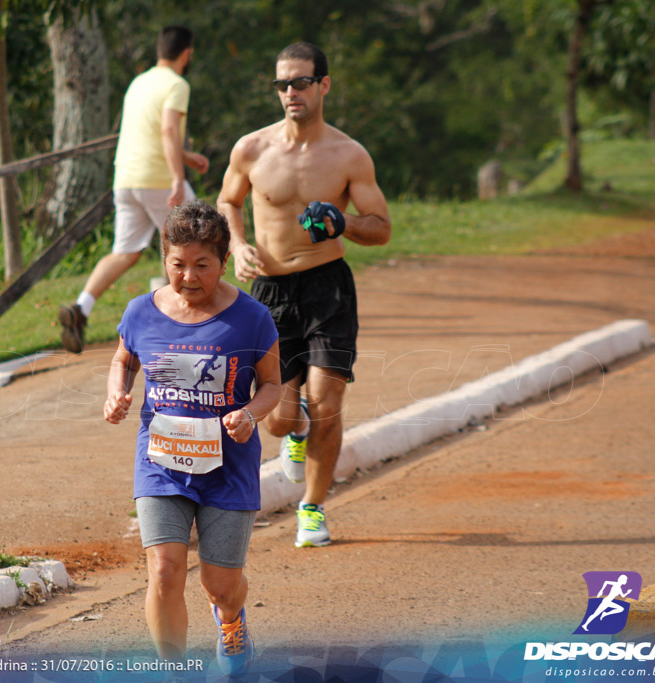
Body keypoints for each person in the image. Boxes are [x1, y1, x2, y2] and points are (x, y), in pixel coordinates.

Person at [217, 42, 391, 548]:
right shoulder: (252, 148)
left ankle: (311, 508)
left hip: (327, 287)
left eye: (299, 82)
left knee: (327, 400)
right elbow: (229, 200)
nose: (290, 92)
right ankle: (295, 434)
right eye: (282, 84)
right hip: (269, 293)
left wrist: (344, 223)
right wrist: (239, 242)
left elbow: (380, 228)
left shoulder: (348, 155)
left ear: (323, 86)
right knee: (279, 419)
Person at [103, 200, 280, 675]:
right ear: (164, 259)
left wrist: (250, 413)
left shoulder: (252, 318)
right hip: (161, 460)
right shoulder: (142, 312)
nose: (188, 276)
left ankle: (231, 618)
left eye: (202, 265)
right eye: (177, 264)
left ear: (224, 263)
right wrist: (117, 394)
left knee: (221, 585)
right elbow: (124, 359)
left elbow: (271, 384)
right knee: (164, 571)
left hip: (229, 467)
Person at [59, 25, 210, 354]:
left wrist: (185, 157)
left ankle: (81, 307)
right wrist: (176, 174)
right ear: (187, 53)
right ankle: (190, 323)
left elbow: (150, 133)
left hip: (126, 179)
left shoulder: (139, 82)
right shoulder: (177, 84)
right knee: (200, 242)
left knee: (125, 252)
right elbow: (169, 129)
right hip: (157, 178)